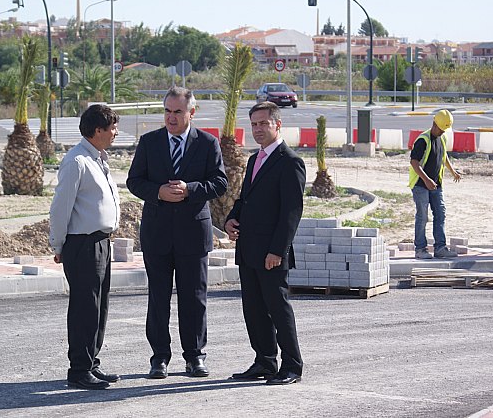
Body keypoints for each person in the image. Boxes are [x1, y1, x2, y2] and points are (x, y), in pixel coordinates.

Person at [126, 86, 228, 379]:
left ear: (191, 113)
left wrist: (190, 190)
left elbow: (220, 183)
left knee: (194, 298)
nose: (171, 117)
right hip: (157, 233)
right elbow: (134, 181)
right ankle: (159, 357)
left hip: (193, 234)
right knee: (158, 298)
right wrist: (157, 192)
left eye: (178, 112)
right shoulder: (149, 142)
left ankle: (195, 356)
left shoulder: (208, 144)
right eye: (168, 111)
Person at [225, 101, 306, 386]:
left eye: (263, 124)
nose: (258, 129)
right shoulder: (254, 160)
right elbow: (244, 199)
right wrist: (231, 220)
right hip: (248, 249)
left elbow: (291, 212)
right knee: (254, 310)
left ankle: (292, 366)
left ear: (277, 125)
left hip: (271, 253)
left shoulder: (290, 161)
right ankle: (265, 361)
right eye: (254, 124)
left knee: (278, 309)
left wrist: (277, 251)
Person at [49, 104, 121, 390]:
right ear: (97, 130)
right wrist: (58, 243)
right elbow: (60, 208)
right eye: (112, 127)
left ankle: (91, 362)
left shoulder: (98, 158)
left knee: (99, 307)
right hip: (82, 244)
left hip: (101, 242)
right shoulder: (76, 161)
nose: (116, 132)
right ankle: (79, 369)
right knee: (84, 308)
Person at [409, 109, 462, 259]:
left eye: (445, 129)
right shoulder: (423, 140)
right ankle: (420, 249)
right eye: (441, 129)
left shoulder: (442, 138)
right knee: (423, 216)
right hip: (420, 184)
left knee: (440, 213)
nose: (443, 132)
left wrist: (453, 172)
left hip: (436, 185)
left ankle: (440, 248)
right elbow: (414, 162)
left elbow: (444, 156)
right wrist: (426, 180)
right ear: (434, 124)